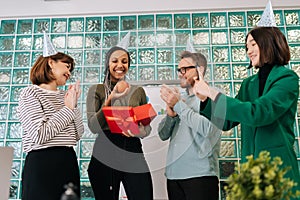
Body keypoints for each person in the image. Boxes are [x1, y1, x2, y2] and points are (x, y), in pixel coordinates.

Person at [193, 26, 300, 193]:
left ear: (268, 44)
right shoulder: (248, 84)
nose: (248, 51)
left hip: (279, 169)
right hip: (251, 171)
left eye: (252, 44)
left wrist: (212, 93)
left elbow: (259, 113)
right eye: (246, 47)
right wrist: (205, 99)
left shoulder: (288, 79)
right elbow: (227, 121)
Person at [86, 45, 153, 200]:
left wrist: (139, 131)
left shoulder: (138, 91)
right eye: (115, 61)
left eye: (124, 61)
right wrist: (110, 100)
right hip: (105, 149)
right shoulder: (96, 90)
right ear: (107, 64)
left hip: (132, 148)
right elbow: (93, 126)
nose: (120, 65)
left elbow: (147, 128)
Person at [17, 52, 83, 200]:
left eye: (71, 70)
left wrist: (74, 104)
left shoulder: (66, 97)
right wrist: (68, 109)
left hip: (68, 161)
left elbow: (78, 134)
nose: (69, 73)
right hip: (42, 164)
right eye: (67, 66)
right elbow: (39, 134)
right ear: (51, 62)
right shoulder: (30, 93)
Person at [158, 51, 221, 200]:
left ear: (200, 69)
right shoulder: (180, 98)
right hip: (173, 177)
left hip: (201, 177)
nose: (180, 74)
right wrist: (171, 115)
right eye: (179, 70)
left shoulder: (215, 95)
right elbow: (162, 134)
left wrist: (179, 106)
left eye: (185, 69)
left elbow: (208, 129)